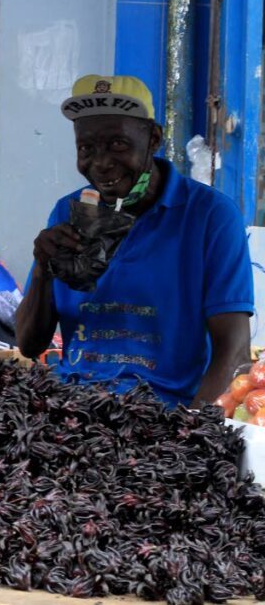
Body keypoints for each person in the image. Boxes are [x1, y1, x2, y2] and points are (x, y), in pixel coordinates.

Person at [15, 74, 253, 408]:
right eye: (86, 148)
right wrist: (43, 269)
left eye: (118, 145)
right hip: (73, 412)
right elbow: (28, 344)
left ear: (153, 139)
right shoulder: (67, 213)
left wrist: (190, 435)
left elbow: (234, 353)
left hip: (164, 416)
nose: (100, 162)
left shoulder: (209, 216)